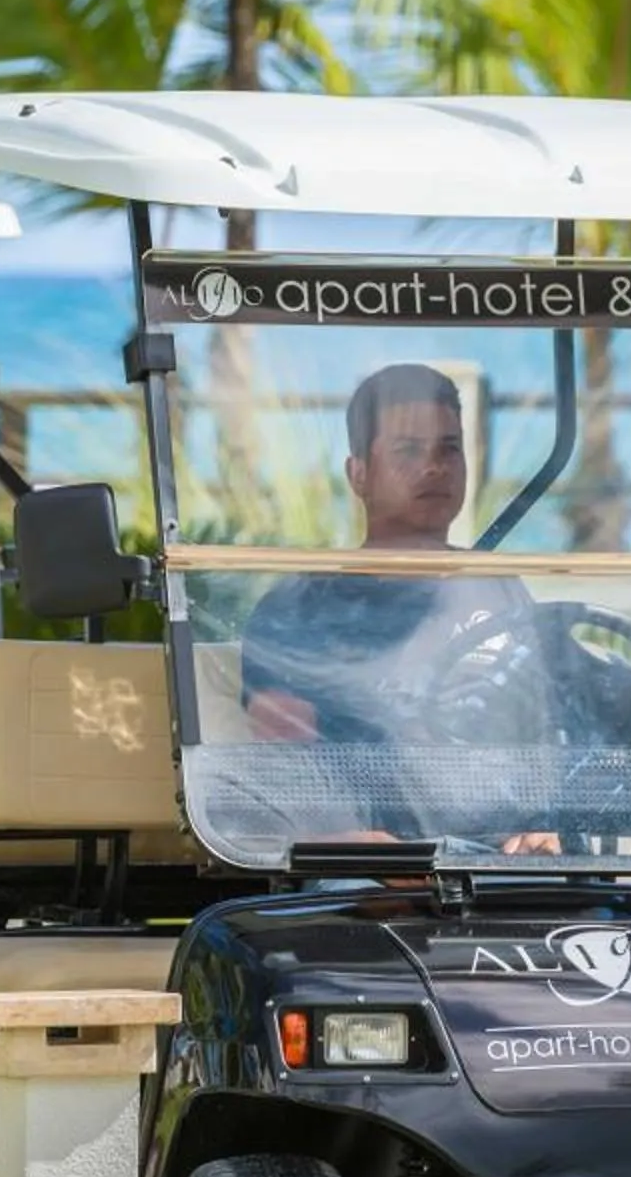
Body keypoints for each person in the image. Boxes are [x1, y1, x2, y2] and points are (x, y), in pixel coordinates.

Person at [237, 363, 561, 852]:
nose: (434, 467)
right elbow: (284, 774)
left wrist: (541, 828)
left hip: (498, 869)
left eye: (448, 449)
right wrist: (349, 848)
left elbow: (539, 734)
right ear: (359, 474)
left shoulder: (499, 587)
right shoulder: (300, 605)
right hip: (356, 877)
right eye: (408, 450)